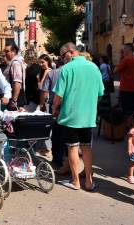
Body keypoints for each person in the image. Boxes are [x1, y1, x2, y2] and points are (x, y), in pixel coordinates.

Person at [52, 42, 104, 191]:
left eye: (62, 56)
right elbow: (100, 93)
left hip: (71, 116)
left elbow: (58, 96)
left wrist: (55, 108)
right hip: (88, 116)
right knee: (87, 148)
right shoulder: (94, 67)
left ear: (69, 52)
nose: (62, 60)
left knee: (73, 148)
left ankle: (75, 181)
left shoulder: (67, 69)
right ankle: (88, 181)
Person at [113, 43, 134, 115]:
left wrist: (121, 57)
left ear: (129, 49)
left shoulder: (126, 59)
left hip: (126, 89)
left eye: (124, 49)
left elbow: (115, 70)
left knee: (126, 111)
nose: (123, 50)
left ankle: (128, 125)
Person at [3, 43, 27, 110]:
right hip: (14, 96)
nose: (5, 54)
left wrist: (14, 101)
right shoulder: (14, 62)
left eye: (7, 51)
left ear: (14, 51)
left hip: (15, 97)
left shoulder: (15, 63)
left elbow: (17, 82)